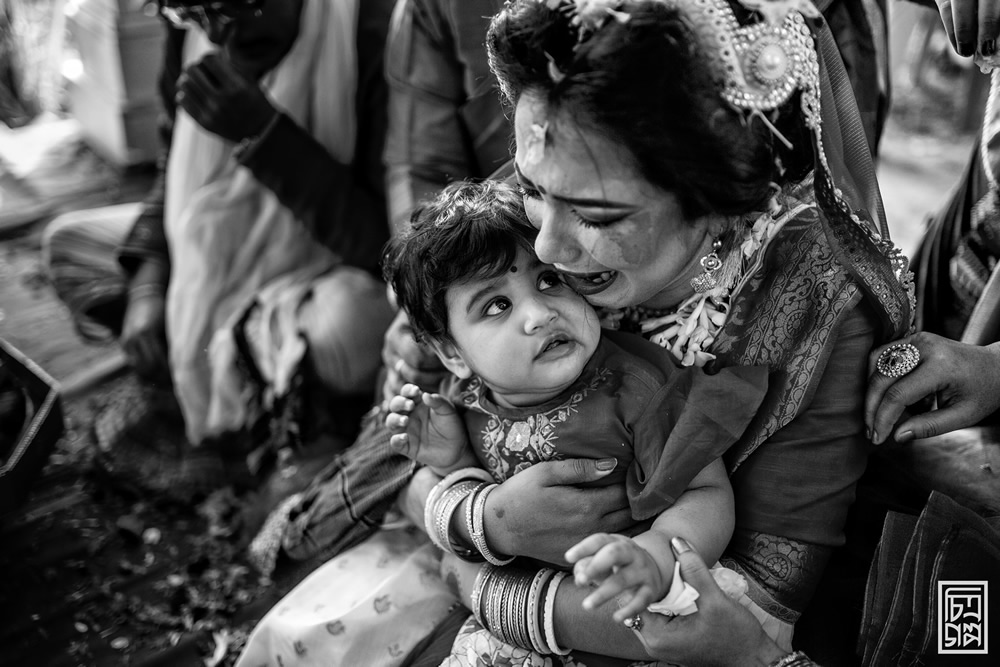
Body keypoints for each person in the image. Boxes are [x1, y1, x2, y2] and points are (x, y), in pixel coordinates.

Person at [237, 0, 916, 664]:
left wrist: (478, 581)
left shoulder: (813, 303)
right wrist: (481, 519)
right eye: (534, 189)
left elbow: (741, 611)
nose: (549, 247)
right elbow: (402, 434)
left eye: (597, 216)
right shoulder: (531, 196)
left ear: (716, 203)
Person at [380, 179, 770, 661]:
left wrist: (657, 556)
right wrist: (452, 457)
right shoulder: (462, 402)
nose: (540, 313)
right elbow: (473, 504)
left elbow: (703, 492)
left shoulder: (637, 388)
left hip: (615, 627)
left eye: (548, 280)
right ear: (451, 353)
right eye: (496, 305)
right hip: (500, 632)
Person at [42, 0, 396, 494]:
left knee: (353, 323)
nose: (221, 35)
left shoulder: (375, 27)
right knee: (69, 244)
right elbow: (173, 171)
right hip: (208, 252)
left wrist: (266, 135)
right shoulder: (189, 29)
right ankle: (221, 374)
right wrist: (148, 288)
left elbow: (392, 245)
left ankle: (261, 400)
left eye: (238, 8)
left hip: (318, 275)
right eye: (199, 16)